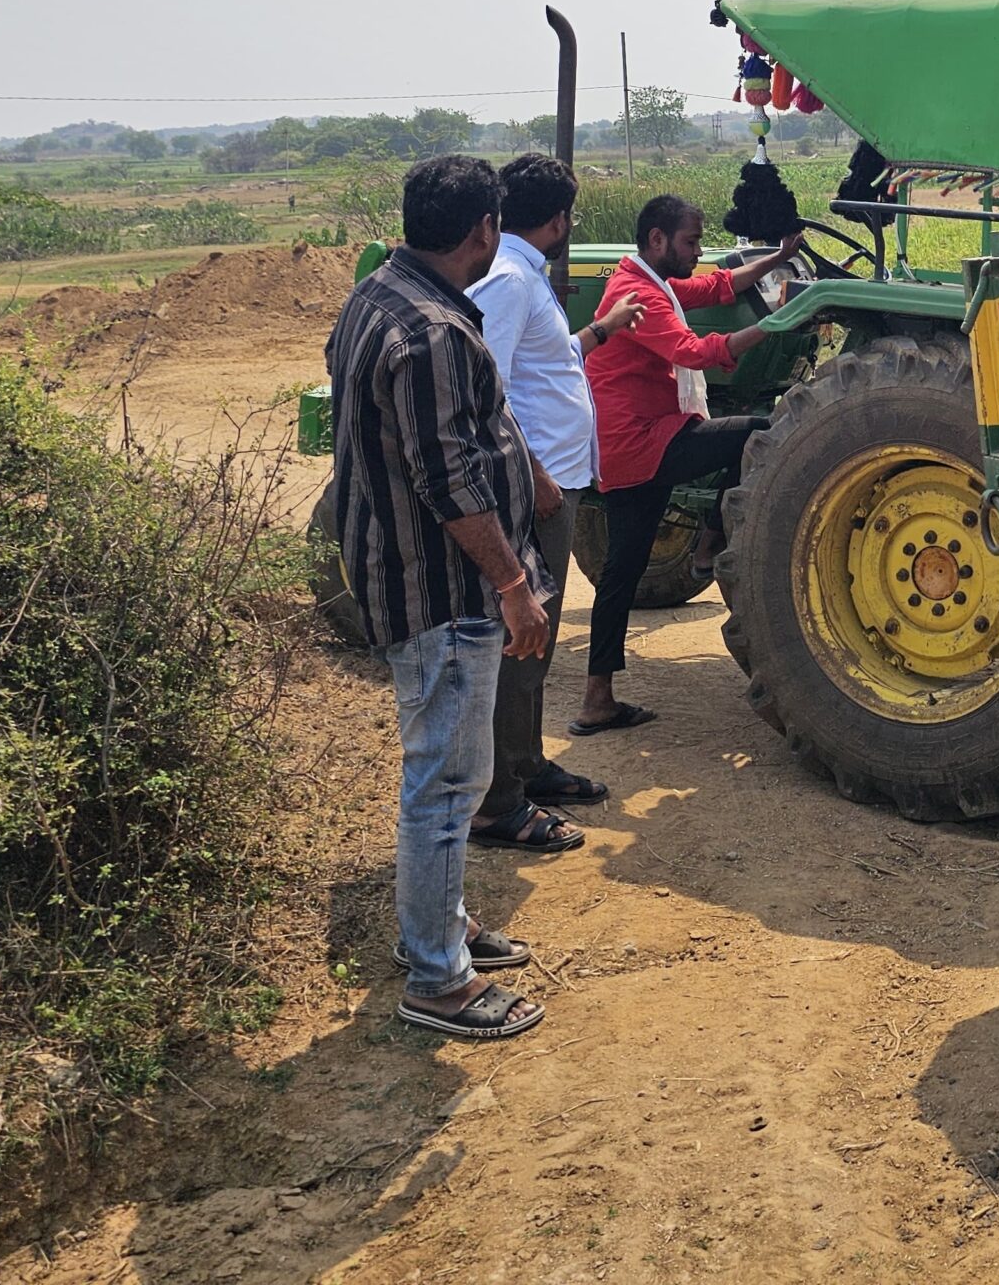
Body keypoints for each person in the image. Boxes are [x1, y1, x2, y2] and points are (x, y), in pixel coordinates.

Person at [324, 153, 552, 1041]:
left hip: (406, 574)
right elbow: (449, 479)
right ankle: (437, 983)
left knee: (446, 778)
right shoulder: (430, 332)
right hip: (442, 590)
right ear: (484, 232)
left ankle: (439, 929)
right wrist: (511, 583)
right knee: (446, 785)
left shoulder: (378, 295)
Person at [464, 153, 646, 854]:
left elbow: (545, 362)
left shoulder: (521, 274)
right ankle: (498, 805)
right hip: (536, 489)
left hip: (556, 481)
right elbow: (490, 388)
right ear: (561, 219)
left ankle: (526, 764)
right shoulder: (510, 281)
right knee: (522, 641)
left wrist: (603, 330)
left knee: (536, 644)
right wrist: (536, 474)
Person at [576, 194, 802, 733]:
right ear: (657, 240)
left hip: (644, 437)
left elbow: (718, 287)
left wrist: (776, 259)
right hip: (642, 443)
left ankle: (595, 700)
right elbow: (697, 354)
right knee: (763, 432)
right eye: (691, 242)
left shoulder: (653, 284)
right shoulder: (636, 295)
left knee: (621, 572)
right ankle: (709, 539)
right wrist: (780, 325)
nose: (698, 253)